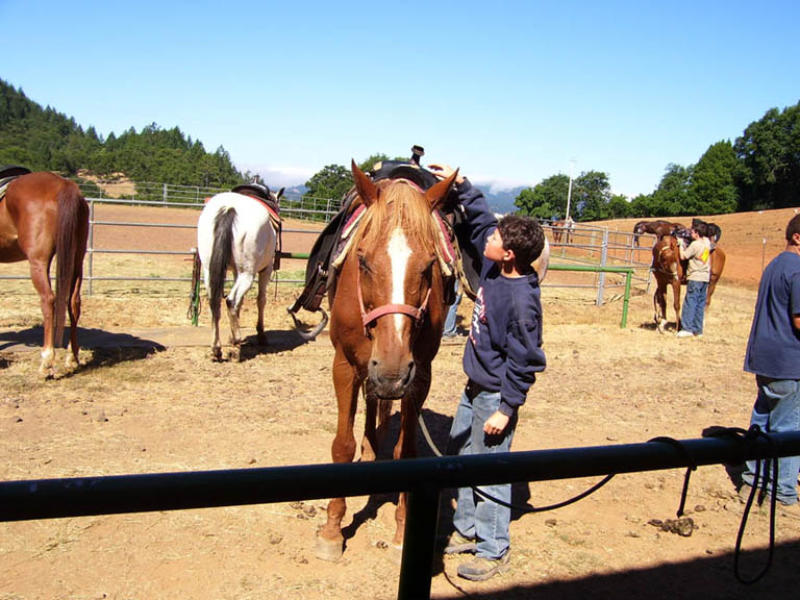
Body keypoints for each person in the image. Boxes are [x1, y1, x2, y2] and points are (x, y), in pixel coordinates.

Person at [429, 162, 546, 581]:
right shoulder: (496, 266)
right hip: (474, 384)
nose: (488, 237)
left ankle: (494, 550)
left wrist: (507, 408)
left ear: (509, 253)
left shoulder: (521, 302)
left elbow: (527, 360)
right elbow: (479, 220)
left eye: (497, 238)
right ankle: (468, 529)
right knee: (461, 454)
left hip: (496, 395)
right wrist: (462, 184)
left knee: (491, 470)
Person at [738, 213, 800, 508]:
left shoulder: (775, 264)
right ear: (797, 237)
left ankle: (752, 482)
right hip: (790, 361)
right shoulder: (799, 270)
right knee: (790, 428)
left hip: (764, 359)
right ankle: (783, 490)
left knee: (762, 422)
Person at [676, 225, 711, 338]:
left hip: (695, 276)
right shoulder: (707, 243)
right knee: (700, 304)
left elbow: (683, 256)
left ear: (697, 233)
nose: (691, 234)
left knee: (690, 301)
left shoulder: (695, 245)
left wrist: (681, 244)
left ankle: (687, 328)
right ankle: (698, 329)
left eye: (692, 232)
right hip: (705, 277)